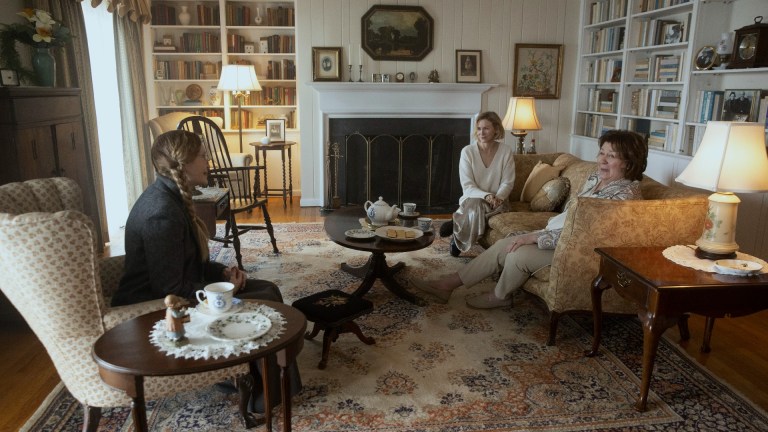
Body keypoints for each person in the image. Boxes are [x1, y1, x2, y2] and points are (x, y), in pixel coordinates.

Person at [112, 129, 301, 411]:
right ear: (184, 163)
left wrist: (223, 273)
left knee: (268, 289)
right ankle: (264, 396)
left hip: (175, 287)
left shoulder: (173, 195)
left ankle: (270, 381)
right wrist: (224, 292)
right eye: (202, 156)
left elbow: (187, 263)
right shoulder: (161, 212)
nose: (208, 161)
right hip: (153, 305)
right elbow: (170, 290)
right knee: (266, 300)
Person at [418, 130, 647, 309]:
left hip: (580, 250)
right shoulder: (596, 178)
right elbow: (574, 220)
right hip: (563, 236)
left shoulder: (623, 195)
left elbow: (584, 234)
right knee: (504, 244)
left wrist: (535, 237)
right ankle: (448, 284)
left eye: (612, 156)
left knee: (518, 253)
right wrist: (536, 235)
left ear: (628, 162)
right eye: (602, 153)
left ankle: (499, 296)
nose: (602, 160)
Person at [439, 111, 515, 257]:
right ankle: (458, 234)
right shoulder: (467, 152)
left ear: (496, 130)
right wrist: (486, 196)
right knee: (475, 205)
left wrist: (498, 197)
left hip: (498, 201)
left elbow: (508, 181)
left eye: (486, 128)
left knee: (486, 208)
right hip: (473, 199)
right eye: (479, 128)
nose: (481, 132)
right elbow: (467, 185)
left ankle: (457, 226)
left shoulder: (506, 151)